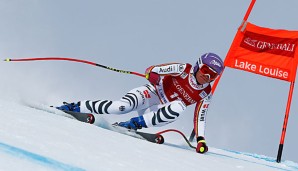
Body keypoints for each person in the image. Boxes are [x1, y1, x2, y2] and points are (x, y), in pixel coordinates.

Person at [56, 53, 224, 154]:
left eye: (213, 76)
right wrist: (152, 76)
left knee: (178, 106)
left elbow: (201, 117)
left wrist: (201, 139)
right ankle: (75, 107)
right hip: (151, 93)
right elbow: (152, 69)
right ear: (197, 66)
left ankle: (132, 124)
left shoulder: (205, 93)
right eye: (205, 72)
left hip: (158, 111)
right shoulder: (183, 68)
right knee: (120, 107)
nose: (207, 78)